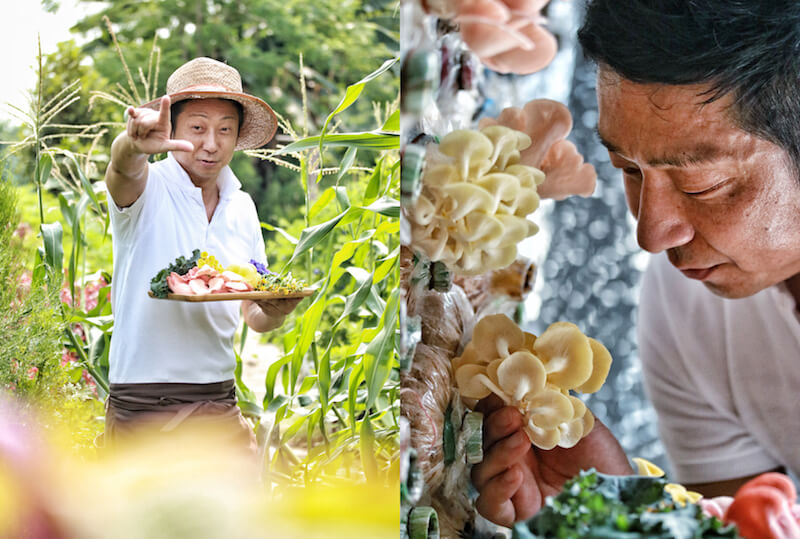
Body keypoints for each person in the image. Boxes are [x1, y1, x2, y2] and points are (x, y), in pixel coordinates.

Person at [472, 0, 800, 527]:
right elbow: (730, 530)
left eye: (702, 185)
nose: (651, 236)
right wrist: (611, 512)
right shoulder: (687, 305)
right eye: (627, 170)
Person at [103, 57, 302, 449]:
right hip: (144, 406)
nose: (211, 144)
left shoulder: (242, 206)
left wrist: (277, 311)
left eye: (225, 130)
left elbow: (253, 313)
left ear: (237, 136)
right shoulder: (147, 188)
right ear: (171, 128)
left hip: (218, 402)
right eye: (197, 128)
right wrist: (129, 146)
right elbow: (121, 170)